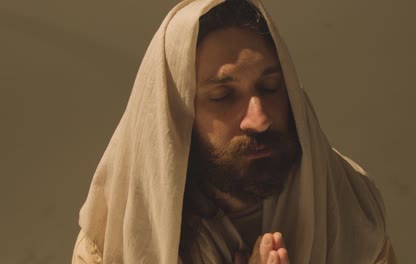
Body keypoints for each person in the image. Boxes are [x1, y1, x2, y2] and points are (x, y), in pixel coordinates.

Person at [72, 0, 397, 263]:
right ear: (176, 113)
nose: (258, 120)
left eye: (270, 87)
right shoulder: (116, 232)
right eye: (223, 97)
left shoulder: (344, 202)